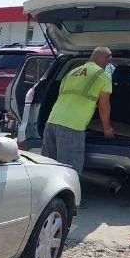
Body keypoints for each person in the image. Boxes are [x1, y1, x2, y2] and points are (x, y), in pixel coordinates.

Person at [41, 46, 114, 175]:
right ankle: (68, 194)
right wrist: (107, 129)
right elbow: (104, 106)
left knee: (48, 166)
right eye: (108, 60)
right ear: (107, 59)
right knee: (69, 171)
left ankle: (49, 194)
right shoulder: (103, 76)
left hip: (52, 122)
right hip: (72, 126)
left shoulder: (72, 72)